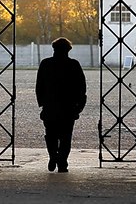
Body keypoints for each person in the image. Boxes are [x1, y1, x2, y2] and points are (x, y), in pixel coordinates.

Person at [35, 37, 87, 173]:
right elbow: (81, 87)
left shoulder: (45, 64)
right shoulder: (74, 65)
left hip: (50, 106)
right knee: (65, 137)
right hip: (68, 107)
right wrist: (79, 106)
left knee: (50, 135)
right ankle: (62, 162)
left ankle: (53, 156)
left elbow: (39, 86)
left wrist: (42, 103)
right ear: (68, 50)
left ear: (54, 49)